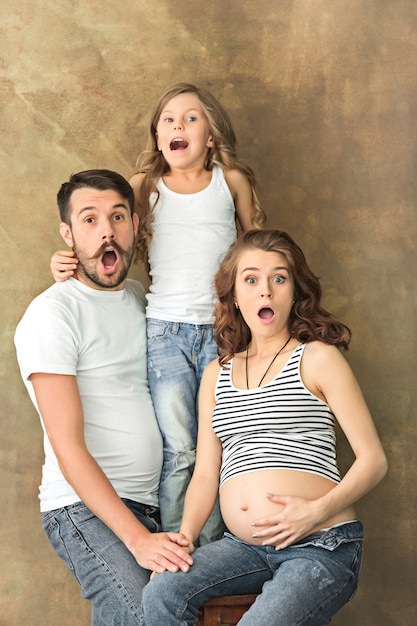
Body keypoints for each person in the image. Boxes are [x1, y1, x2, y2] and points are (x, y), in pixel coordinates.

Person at [49, 83, 265, 544]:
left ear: (209, 136)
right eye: (168, 119)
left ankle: (223, 550)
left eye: (190, 118)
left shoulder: (231, 182)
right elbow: (109, 239)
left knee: (221, 445)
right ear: (157, 136)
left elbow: (259, 249)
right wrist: (64, 260)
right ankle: (178, 548)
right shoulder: (144, 187)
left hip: (224, 331)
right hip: (165, 332)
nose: (178, 126)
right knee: (181, 448)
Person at [141, 229, 388, 626]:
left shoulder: (318, 358)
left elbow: (374, 460)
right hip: (245, 549)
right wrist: (183, 541)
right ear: (235, 296)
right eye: (251, 279)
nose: (266, 291)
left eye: (279, 278)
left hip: (321, 544)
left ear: (294, 292)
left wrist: (313, 513)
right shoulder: (216, 374)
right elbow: (206, 473)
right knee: (163, 593)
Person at [14, 170, 193, 626]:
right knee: (144, 617)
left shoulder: (145, 300)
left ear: (135, 224)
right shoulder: (52, 315)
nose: (106, 231)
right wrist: (137, 540)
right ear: (68, 235)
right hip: (83, 508)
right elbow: (67, 446)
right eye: (89, 220)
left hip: (160, 501)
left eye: (117, 216)